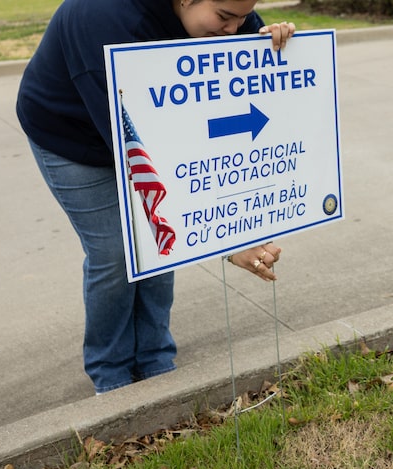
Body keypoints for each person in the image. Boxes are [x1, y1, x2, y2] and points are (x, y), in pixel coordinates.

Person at [16, 0, 294, 394]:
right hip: (71, 134)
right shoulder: (103, 19)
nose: (234, 29)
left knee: (159, 245)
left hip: (143, 129)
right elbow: (143, 155)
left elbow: (244, 55)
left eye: (243, 17)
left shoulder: (233, 14)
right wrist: (229, 245)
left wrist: (270, 41)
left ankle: (154, 358)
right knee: (115, 251)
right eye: (224, 18)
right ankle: (110, 373)